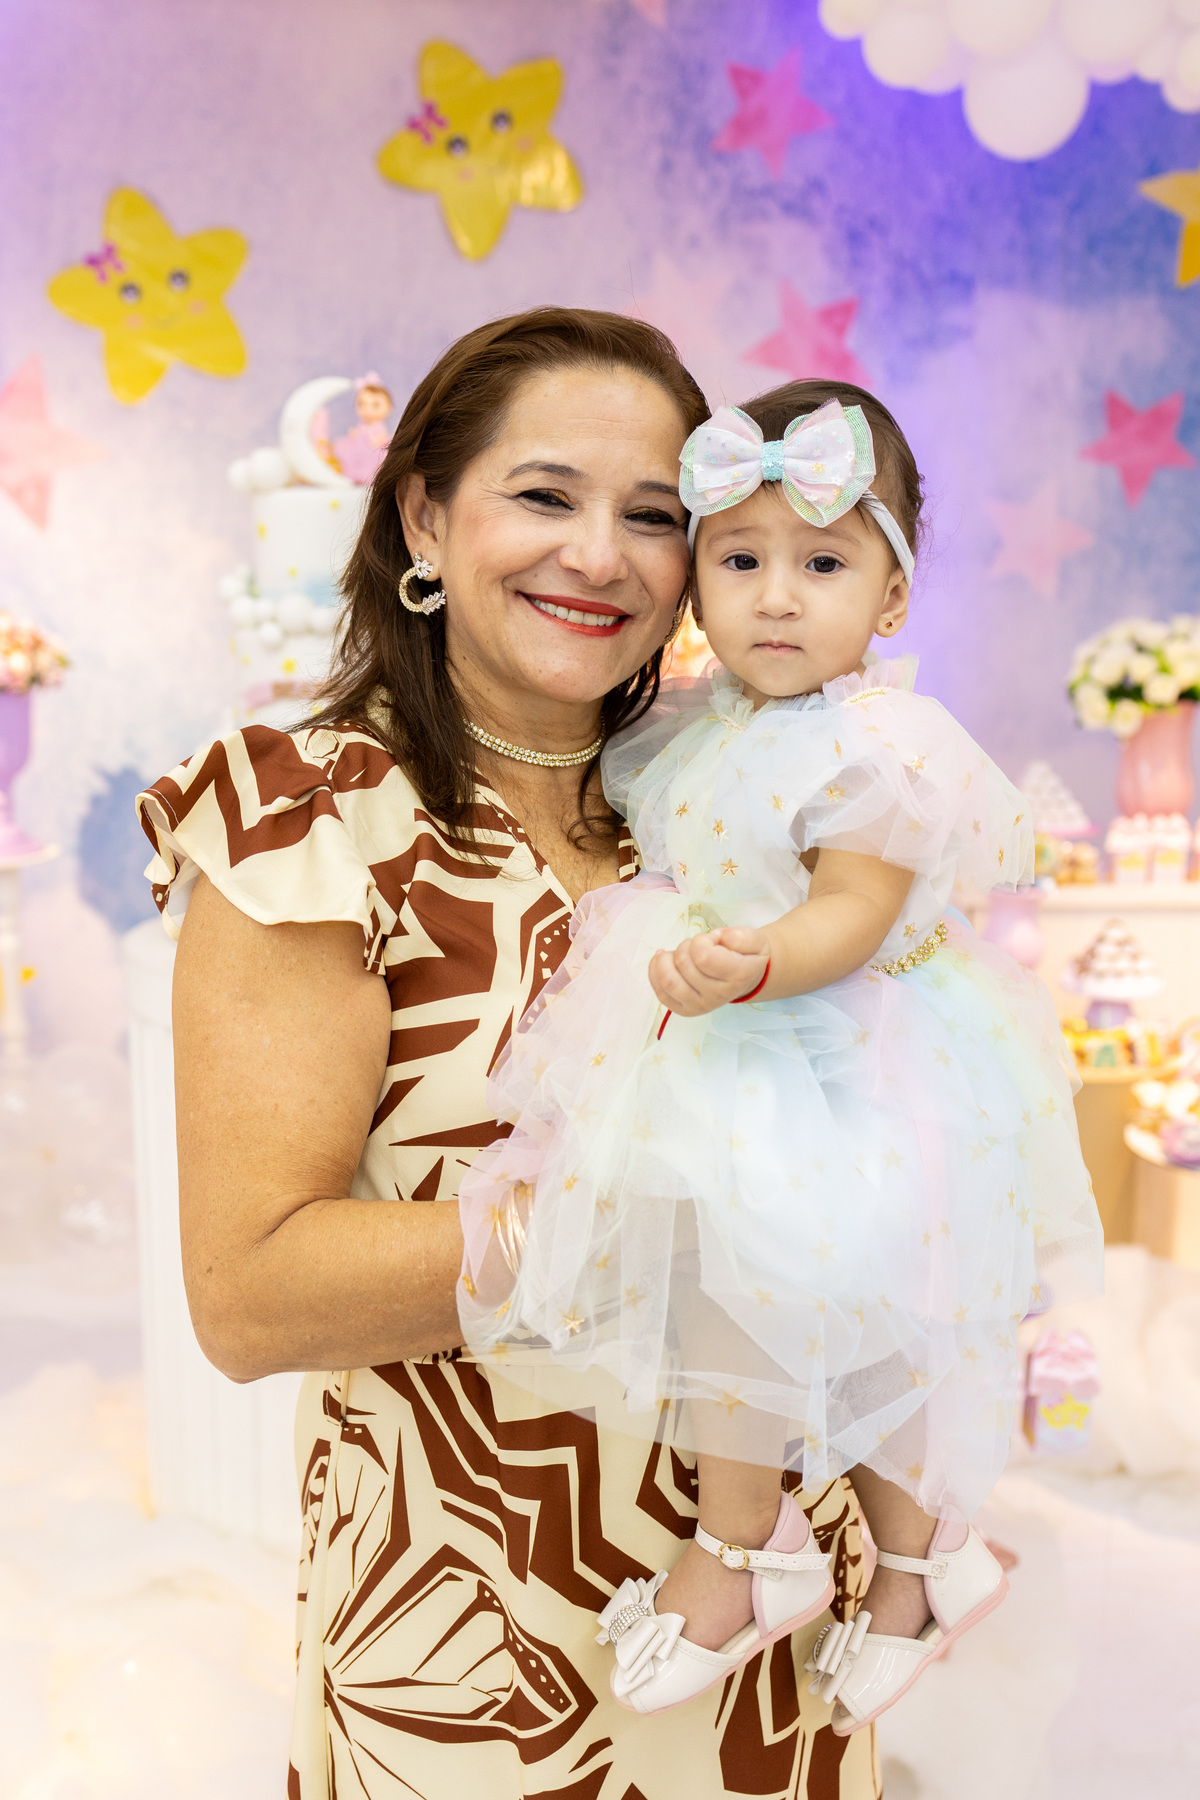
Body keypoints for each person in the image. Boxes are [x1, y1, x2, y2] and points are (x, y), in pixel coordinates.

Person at [137, 314, 883, 1800]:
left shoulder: (724, 790)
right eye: (544, 495)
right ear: (425, 516)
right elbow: (250, 1293)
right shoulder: (319, 817)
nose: (598, 557)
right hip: (486, 1635)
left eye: (654, 515)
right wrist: (643, 1220)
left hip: (784, 1605)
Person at [458, 380, 1104, 1731]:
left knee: (802, 1305)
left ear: (892, 596)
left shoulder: (883, 746)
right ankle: (914, 1563)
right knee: (769, 1304)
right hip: (724, 1040)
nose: (774, 599)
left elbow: (852, 912)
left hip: (839, 1049)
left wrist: (755, 960)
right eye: (740, 562)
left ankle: (765, 1548)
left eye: (821, 566)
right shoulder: (696, 730)